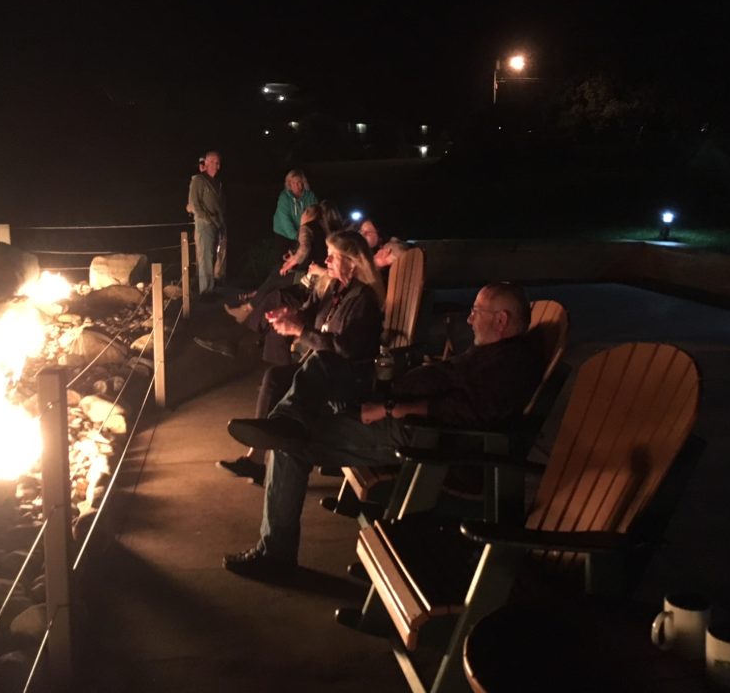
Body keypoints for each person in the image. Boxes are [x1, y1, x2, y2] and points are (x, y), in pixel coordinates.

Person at [221, 282, 545, 578]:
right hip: (397, 404)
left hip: (421, 437)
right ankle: (289, 418)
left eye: (476, 312)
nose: (470, 320)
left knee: (289, 445)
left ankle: (275, 553)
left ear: (501, 320)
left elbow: (470, 414)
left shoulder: (510, 363)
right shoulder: (491, 353)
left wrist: (391, 409)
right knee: (322, 363)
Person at [215, 230, 385, 485]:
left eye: (332, 257)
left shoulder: (363, 299)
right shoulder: (333, 287)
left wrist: (299, 331)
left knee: (287, 376)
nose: (325, 262)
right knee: (275, 377)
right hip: (320, 366)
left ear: (352, 261)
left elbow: (344, 350)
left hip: (348, 376)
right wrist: (289, 316)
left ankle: (276, 438)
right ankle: (257, 456)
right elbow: (308, 312)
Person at [188, 150, 225, 297]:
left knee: (212, 257)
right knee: (205, 258)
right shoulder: (198, 180)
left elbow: (219, 205)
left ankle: (210, 288)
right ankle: (205, 291)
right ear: (206, 163)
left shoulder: (217, 183)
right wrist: (209, 219)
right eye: (211, 162)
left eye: (217, 163)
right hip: (204, 224)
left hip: (216, 225)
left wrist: (219, 222)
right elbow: (195, 205)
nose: (214, 165)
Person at [272, 170, 317, 256]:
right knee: (286, 258)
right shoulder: (284, 198)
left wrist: (305, 234)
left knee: (305, 256)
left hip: (303, 231)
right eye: (293, 183)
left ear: (303, 183)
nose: (296, 186)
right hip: (284, 233)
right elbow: (285, 220)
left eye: (299, 182)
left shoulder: (310, 196)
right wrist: (296, 236)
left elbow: (314, 214)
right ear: (289, 184)